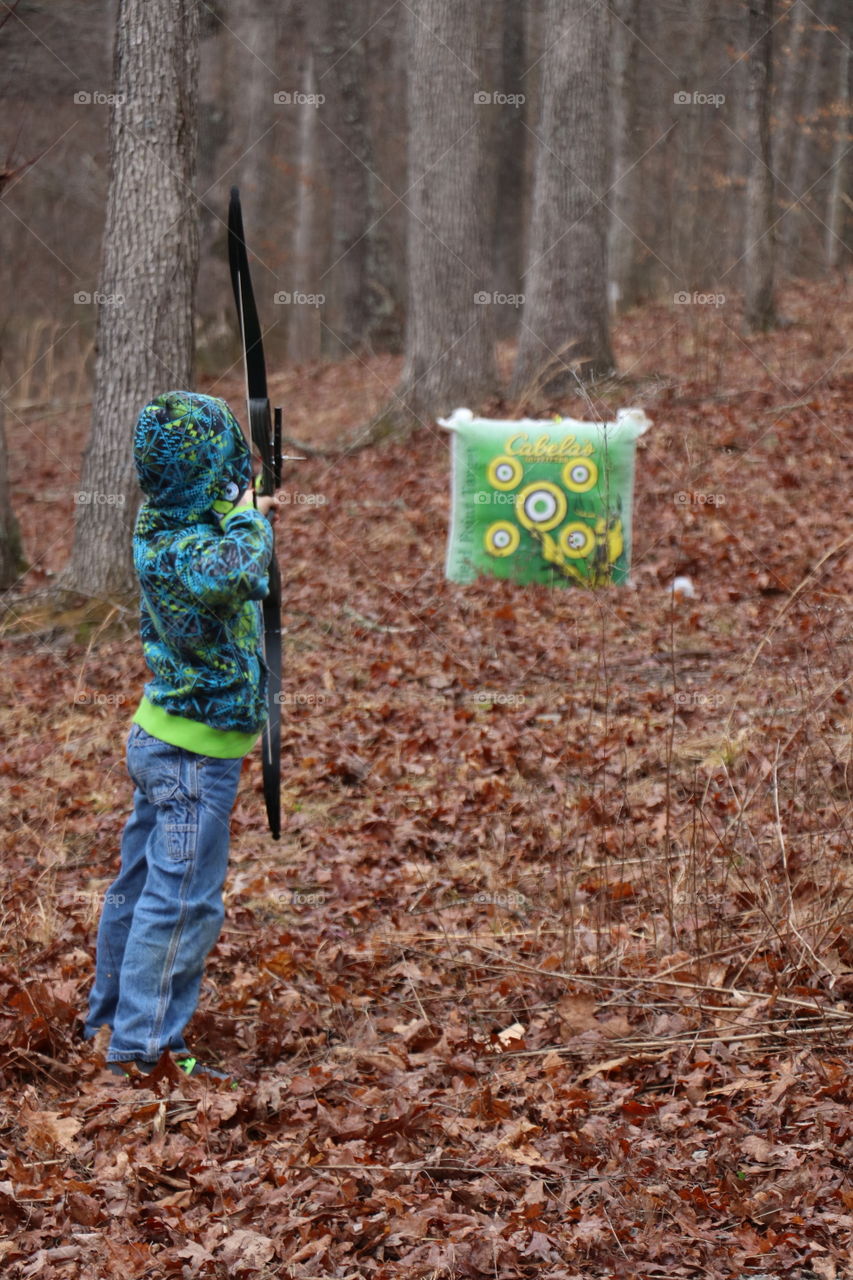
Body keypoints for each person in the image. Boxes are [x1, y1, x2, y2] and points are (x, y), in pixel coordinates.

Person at [83, 390, 278, 1079]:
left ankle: (109, 1017)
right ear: (204, 469)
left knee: (138, 887)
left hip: (165, 738)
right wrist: (252, 514)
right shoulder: (183, 550)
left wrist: (234, 501)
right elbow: (240, 570)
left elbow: (220, 542)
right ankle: (142, 1048)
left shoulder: (165, 519)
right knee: (183, 899)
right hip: (193, 751)